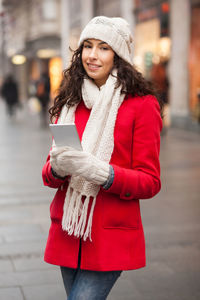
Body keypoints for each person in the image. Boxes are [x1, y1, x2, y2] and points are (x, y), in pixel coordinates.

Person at [42, 16, 163, 300]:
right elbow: (47, 176)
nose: (92, 56)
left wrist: (103, 173)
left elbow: (151, 181)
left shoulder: (142, 105)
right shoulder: (70, 101)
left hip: (109, 237)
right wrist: (57, 168)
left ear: (118, 55)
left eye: (103, 48)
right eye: (88, 46)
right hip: (68, 232)